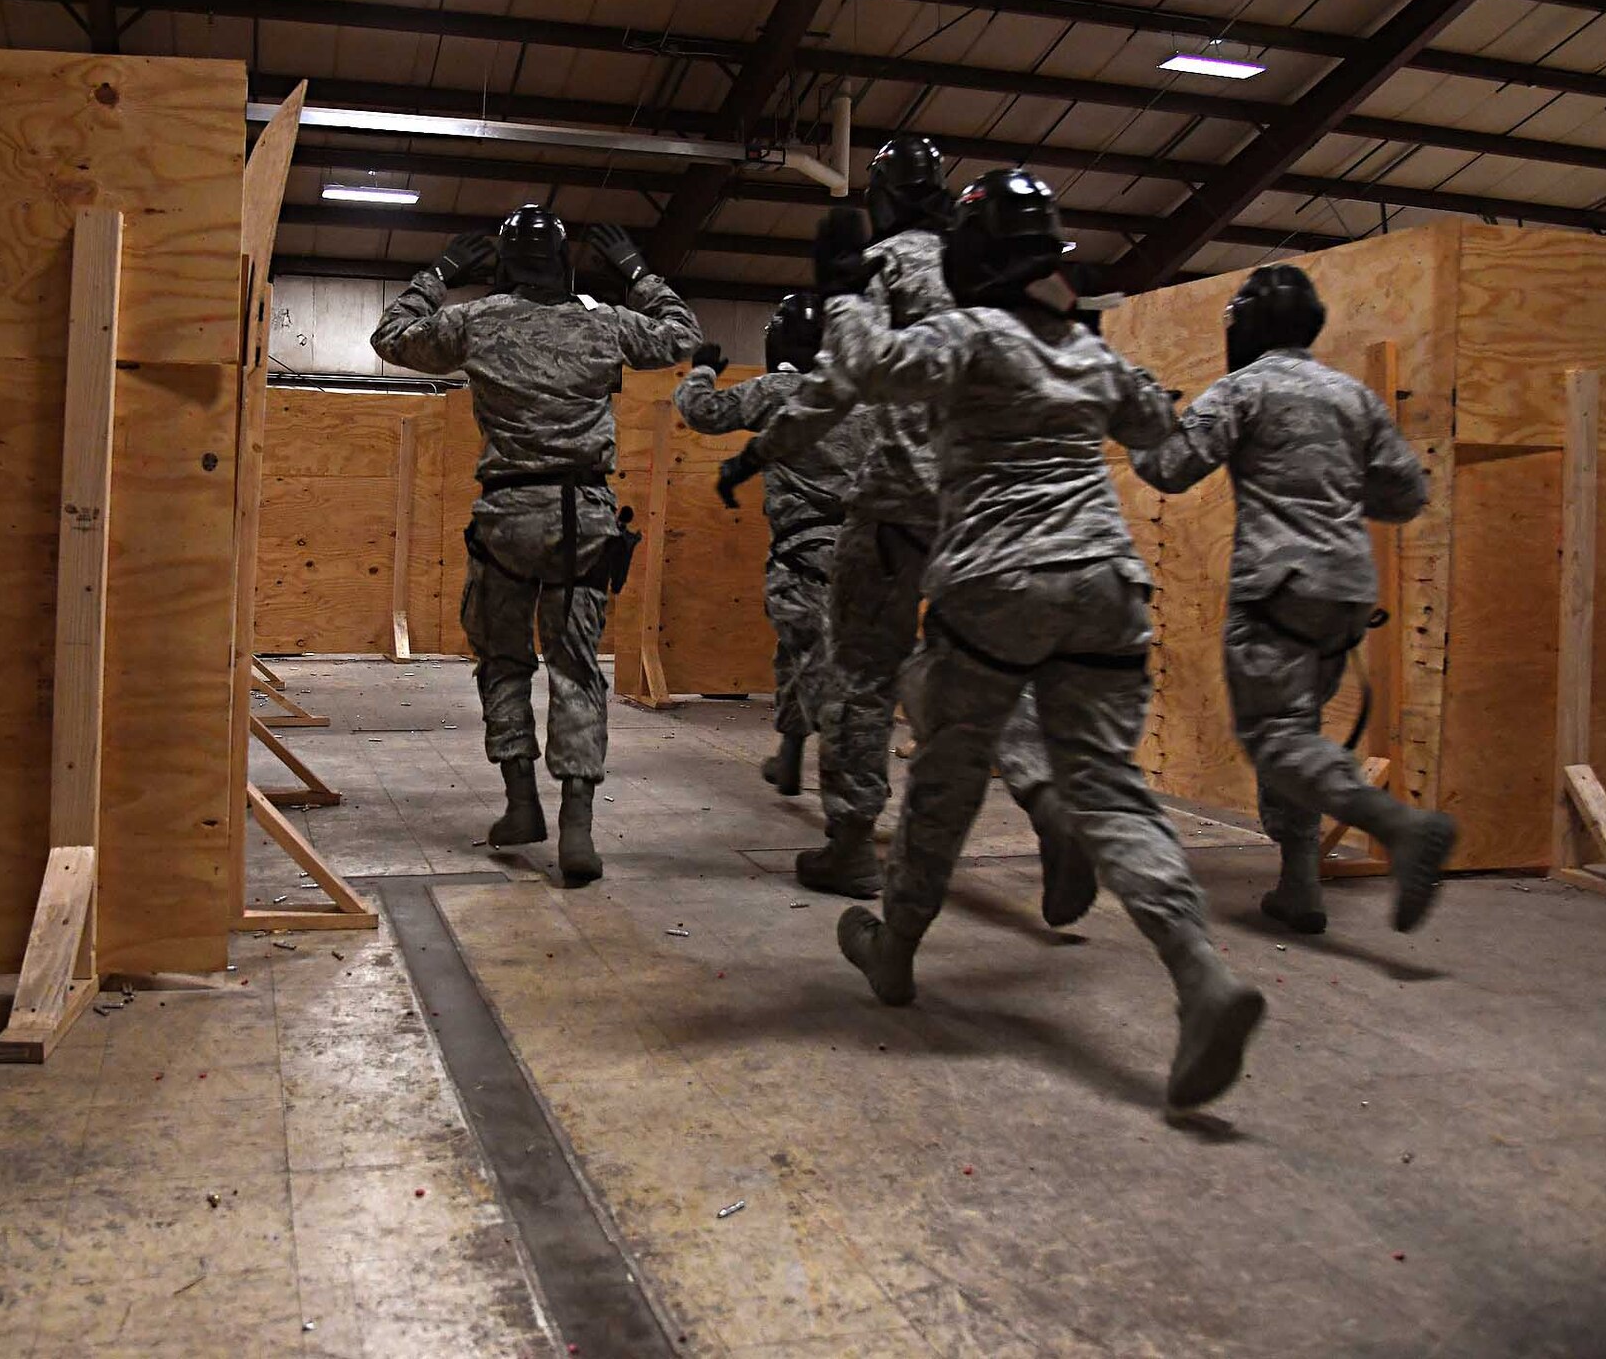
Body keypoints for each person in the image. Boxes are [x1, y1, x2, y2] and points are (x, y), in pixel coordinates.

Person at [766, 171, 1266, 1110]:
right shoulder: (1090, 351)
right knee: (1110, 786)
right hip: (1110, 584)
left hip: (996, 580)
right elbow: (1168, 456)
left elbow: (872, 369)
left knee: (945, 777)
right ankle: (1200, 972)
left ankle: (897, 949)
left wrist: (840, 287)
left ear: (973, 258)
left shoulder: (970, 334)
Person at [721, 138, 1095, 931]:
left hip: (896, 505)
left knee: (861, 669)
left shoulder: (878, 266)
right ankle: (1050, 796)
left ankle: (851, 844)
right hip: (987, 497)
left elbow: (840, 383)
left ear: (883, 196)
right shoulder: (987, 264)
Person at [371, 208, 702, 884]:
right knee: (576, 667)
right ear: (563, 263)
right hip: (584, 517)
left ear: (501, 266)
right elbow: (682, 335)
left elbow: (390, 336)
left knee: (502, 661)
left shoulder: (477, 320)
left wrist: (438, 274)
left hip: (507, 517)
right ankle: (576, 829)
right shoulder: (603, 321)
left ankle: (522, 803)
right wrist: (638, 271)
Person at [1126, 264, 1456, 935]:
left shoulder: (1243, 389)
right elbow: (1406, 494)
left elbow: (1170, 468)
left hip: (1277, 588)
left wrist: (1144, 421)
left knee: (1275, 738)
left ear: (1245, 326)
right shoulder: (1353, 397)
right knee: (1295, 733)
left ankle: (1402, 826)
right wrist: (1329, 494)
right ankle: (1300, 888)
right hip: (1345, 591)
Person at [674, 294, 862, 794]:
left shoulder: (779, 391)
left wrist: (702, 371)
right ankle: (789, 756)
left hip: (803, 557)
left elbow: (702, 412)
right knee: (807, 656)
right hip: (864, 558)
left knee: (814, 666)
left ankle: (847, 809)